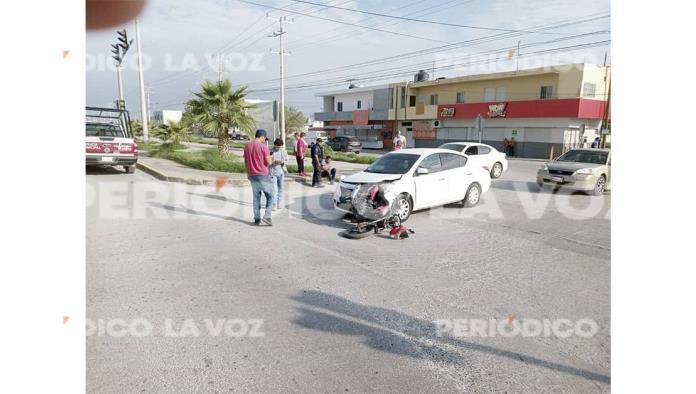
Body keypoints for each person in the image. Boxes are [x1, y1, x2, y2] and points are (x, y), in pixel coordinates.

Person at [243, 129, 274, 226]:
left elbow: (246, 161)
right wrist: (272, 158)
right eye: (265, 138)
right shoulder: (263, 147)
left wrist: (248, 173)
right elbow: (269, 163)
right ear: (262, 136)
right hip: (263, 175)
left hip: (252, 175)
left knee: (256, 197)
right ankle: (267, 217)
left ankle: (257, 218)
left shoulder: (247, 146)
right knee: (270, 196)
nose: (265, 140)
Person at [269, 138, 288, 211]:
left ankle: (279, 202)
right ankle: (274, 204)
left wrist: (283, 162)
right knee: (274, 190)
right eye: (277, 147)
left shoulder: (283, 151)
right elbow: (268, 161)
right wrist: (274, 162)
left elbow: (286, 160)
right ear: (275, 145)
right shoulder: (271, 151)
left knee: (281, 188)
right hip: (273, 172)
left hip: (281, 172)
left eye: (280, 147)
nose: (279, 148)